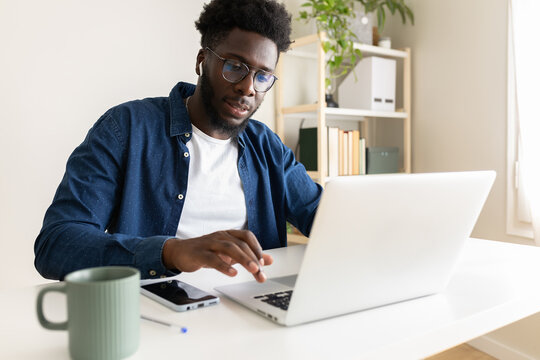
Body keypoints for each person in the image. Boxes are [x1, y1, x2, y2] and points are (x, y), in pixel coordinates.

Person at [34, 0, 322, 283]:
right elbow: (56, 244)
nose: (248, 87)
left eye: (262, 76)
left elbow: (325, 218)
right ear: (202, 61)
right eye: (234, 66)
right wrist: (170, 252)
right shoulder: (126, 128)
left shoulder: (267, 147)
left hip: (252, 311)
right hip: (156, 316)